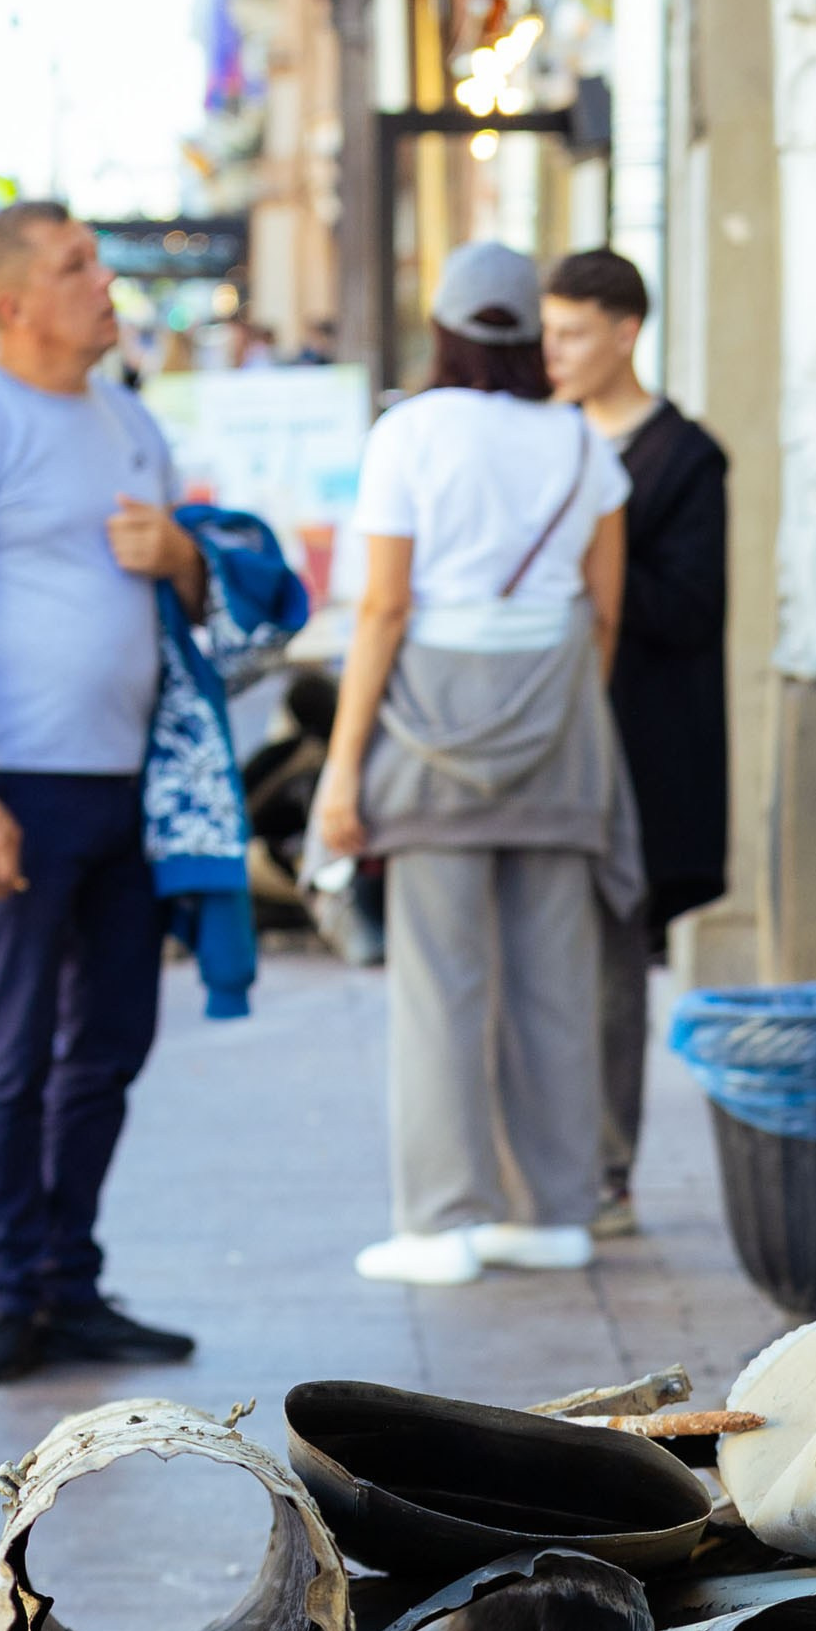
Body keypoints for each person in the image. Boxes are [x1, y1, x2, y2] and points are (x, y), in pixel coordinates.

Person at [0, 198, 202, 1389]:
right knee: (12, 1049)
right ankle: (2, 1293)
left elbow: (190, 593)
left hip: (129, 779)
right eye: (77, 266)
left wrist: (179, 557)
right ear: (14, 303)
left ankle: (68, 1279)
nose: (104, 281)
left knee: (111, 1044)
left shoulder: (129, 420)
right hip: (15, 780)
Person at [314, 238, 631, 1286]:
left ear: (444, 327)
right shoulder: (583, 443)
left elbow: (383, 608)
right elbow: (603, 612)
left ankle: (439, 1223)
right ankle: (552, 1213)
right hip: (554, 731)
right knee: (554, 980)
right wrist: (556, 711)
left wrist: (342, 766)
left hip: (430, 732)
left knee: (437, 985)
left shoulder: (407, 434)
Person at [541, 247, 728, 1242]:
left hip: (636, 751)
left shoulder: (685, 457)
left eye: (573, 333)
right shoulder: (542, 440)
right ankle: (533, 1166)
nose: (554, 352)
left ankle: (604, 1174)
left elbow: (694, 607)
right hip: (540, 739)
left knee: (612, 968)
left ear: (625, 333)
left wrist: (595, 571)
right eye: (546, 332)